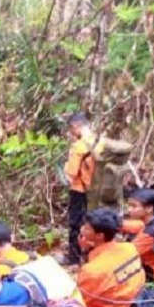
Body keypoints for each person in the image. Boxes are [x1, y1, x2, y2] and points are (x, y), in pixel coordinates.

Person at [77, 208, 146, 307]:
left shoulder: (93, 271)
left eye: (87, 228)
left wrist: (83, 252)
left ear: (100, 236)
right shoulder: (129, 248)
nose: (82, 229)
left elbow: (78, 301)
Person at [64, 112, 101, 265]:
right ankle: (91, 254)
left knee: (76, 224)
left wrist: (66, 167)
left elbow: (71, 172)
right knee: (92, 222)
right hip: (96, 189)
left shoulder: (79, 146)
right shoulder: (99, 141)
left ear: (75, 126)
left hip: (79, 190)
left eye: (71, 129)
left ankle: (73, 257)